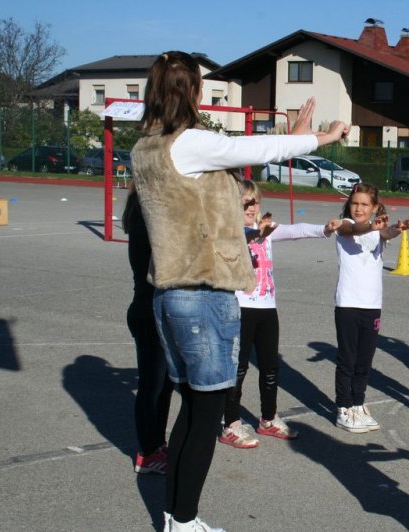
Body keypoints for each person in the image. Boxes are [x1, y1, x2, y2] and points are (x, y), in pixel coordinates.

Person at [131, 51, 349, 532]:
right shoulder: (187, 143)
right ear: (187, 91)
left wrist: (291, 135)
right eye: (198, 86)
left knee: (192, 405)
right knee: (206, 412)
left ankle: (176, 517)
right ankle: (184, 520)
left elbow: (238, 161)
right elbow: (250, 149)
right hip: (202, 292)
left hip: (167, 292)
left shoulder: (145, 147)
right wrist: (320, 138)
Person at [219, 180, 342, 448]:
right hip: (240, 309)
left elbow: (295, 229)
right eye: (246, 202)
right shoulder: (229, 232)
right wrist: (257, 234)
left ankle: (268, 417)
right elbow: (240, 241)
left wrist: (324, 229)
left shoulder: (267, 230)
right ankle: (230, 423)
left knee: (270, 367)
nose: (252, 207)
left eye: (256, 202)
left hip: (266, 308)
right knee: (237, 369)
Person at [333, 183, 409, 433]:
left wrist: (397, 229)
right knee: (348, 359)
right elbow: (354, 228)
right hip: (348, 304)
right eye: (355, 203)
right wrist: (372, 226)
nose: (359, 208)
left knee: (364, 361)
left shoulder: (377, 229)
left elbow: (385, 233)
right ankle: (343, 407)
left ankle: (358, 403)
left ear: (375, 207)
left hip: (372, 305)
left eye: (365, 204)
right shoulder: (344, 225)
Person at [122, 185, 174, 475]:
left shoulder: (150, 218)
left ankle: (157, 443)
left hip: (158, 310)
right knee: (151, 386)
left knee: (164, 384)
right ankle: (147, 452)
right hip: (147, 312)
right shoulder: (145, 222)